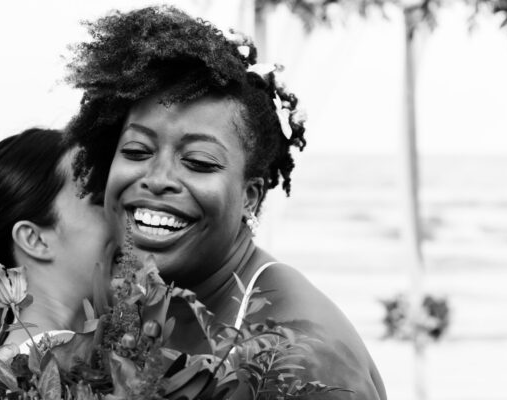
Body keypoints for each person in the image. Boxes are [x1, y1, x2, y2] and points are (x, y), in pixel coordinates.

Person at [66, 6, 386, 399]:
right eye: (136, 150)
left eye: (198, 162)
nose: (158, 178)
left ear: (250, 196)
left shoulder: (300, 359)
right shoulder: (131, 301)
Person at [0, 128, 113, 347]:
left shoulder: (89, 362)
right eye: (101, 201)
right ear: (34, 239)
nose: (125, 216)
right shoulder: (49, 372)